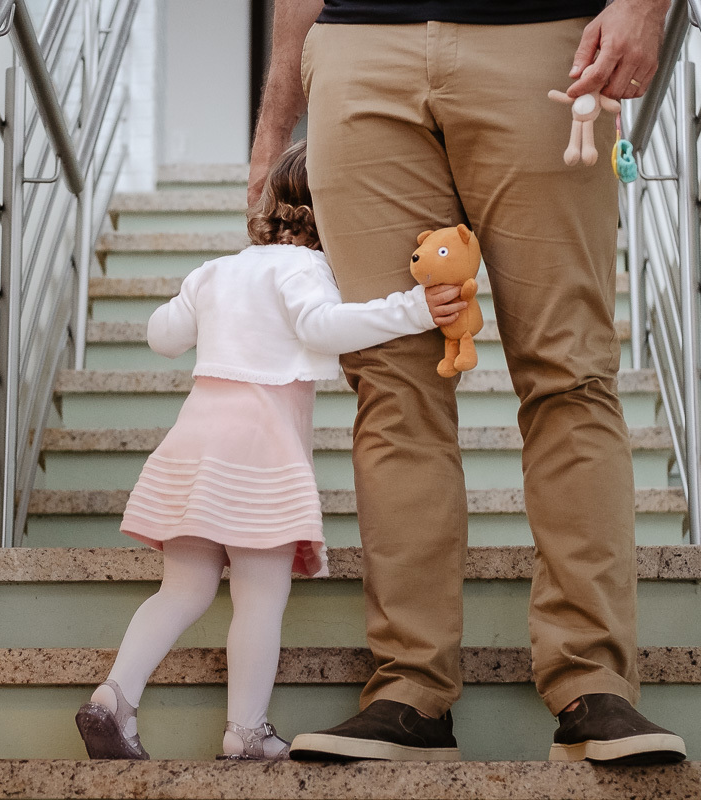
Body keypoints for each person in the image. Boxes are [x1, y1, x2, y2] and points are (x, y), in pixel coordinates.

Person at [249, 0, 689, 765]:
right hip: (358, 45)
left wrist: (643, 8)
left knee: (568, 372)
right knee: (392, 385)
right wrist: (273, 128)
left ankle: (593, 680)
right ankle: (409, 694)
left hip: (547, 39)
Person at [74, 141, 467, 762]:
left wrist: (195, 305)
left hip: (194, 449)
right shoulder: (303, 270)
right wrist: (413, 308)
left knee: (182, 589)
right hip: (259, 457)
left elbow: (163, 337)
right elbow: (322, 328)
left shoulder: (215, 271)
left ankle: (113, 700)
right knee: (260, 599)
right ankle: (246, 732)